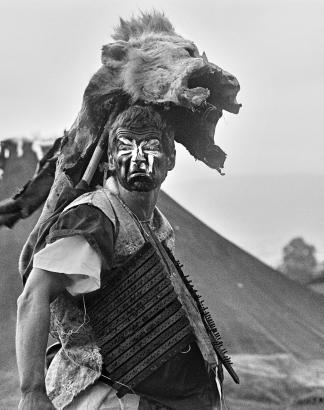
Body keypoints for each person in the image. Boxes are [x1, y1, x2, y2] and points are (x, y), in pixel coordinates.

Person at [16, 106, 231, 410]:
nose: (139, 157)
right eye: (126, 146)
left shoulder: (157, 225)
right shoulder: (94, 216)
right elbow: (33, 296)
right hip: (111, 398)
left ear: (170, 159)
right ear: (109, 160)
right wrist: (32, 391)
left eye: (151, 146)